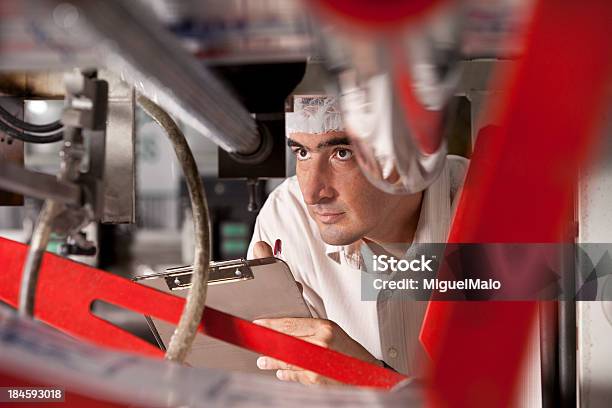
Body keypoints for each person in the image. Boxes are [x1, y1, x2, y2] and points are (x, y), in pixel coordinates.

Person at [247, 95, 468, 385]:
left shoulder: (505, 219)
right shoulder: (287, 217)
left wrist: (370, 384)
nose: (313, 193)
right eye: (302, 153)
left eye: (342, 153)